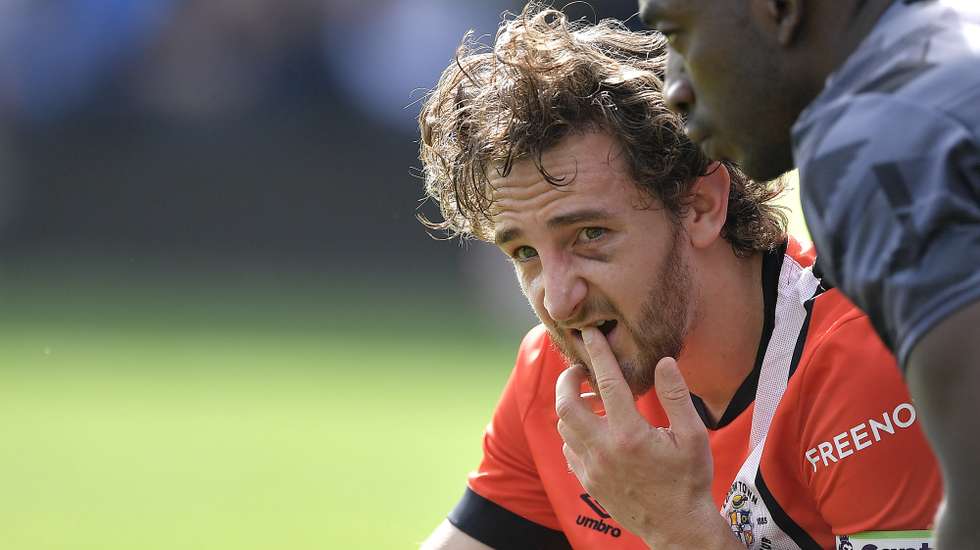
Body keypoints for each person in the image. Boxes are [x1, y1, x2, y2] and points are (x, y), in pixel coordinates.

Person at [416, 5, 941, 549]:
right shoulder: (555, 379)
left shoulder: (863, 362)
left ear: (700, 207)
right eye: (524, 252)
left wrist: (678, 528)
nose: (560, 300)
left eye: (590, 235)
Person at [625, 0, 980, 546]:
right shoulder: (953, 53)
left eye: (677, 34)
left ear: (778, 9)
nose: (673, 87)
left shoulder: (878, 139)